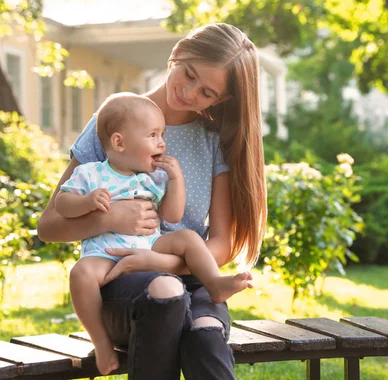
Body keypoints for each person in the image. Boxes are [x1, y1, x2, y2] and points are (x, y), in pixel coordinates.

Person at [38, 23, 266, 380]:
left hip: (191, 275)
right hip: (123, 282)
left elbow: (221, 243)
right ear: (178, 52)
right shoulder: (115, 122)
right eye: (188, 74)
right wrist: (107, 220)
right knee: (166, 293)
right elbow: (48, 226)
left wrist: (160, 260)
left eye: (206, 92)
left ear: (222, 100)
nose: (189, 93)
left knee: (205, 333)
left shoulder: (212, 140)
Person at [55, 92, 253, 375]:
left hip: (150, 244)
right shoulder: (91, 174)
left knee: (187, 238)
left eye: (162, 134)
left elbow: (172, 216)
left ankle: (215, 283)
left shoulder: (152, 178)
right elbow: (61, 205)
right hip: (106, 252)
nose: (162, 142)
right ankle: (100, 342)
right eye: (153, 135)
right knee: (81, 274)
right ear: (119, 142)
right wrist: (90, 205)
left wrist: (176, 179)